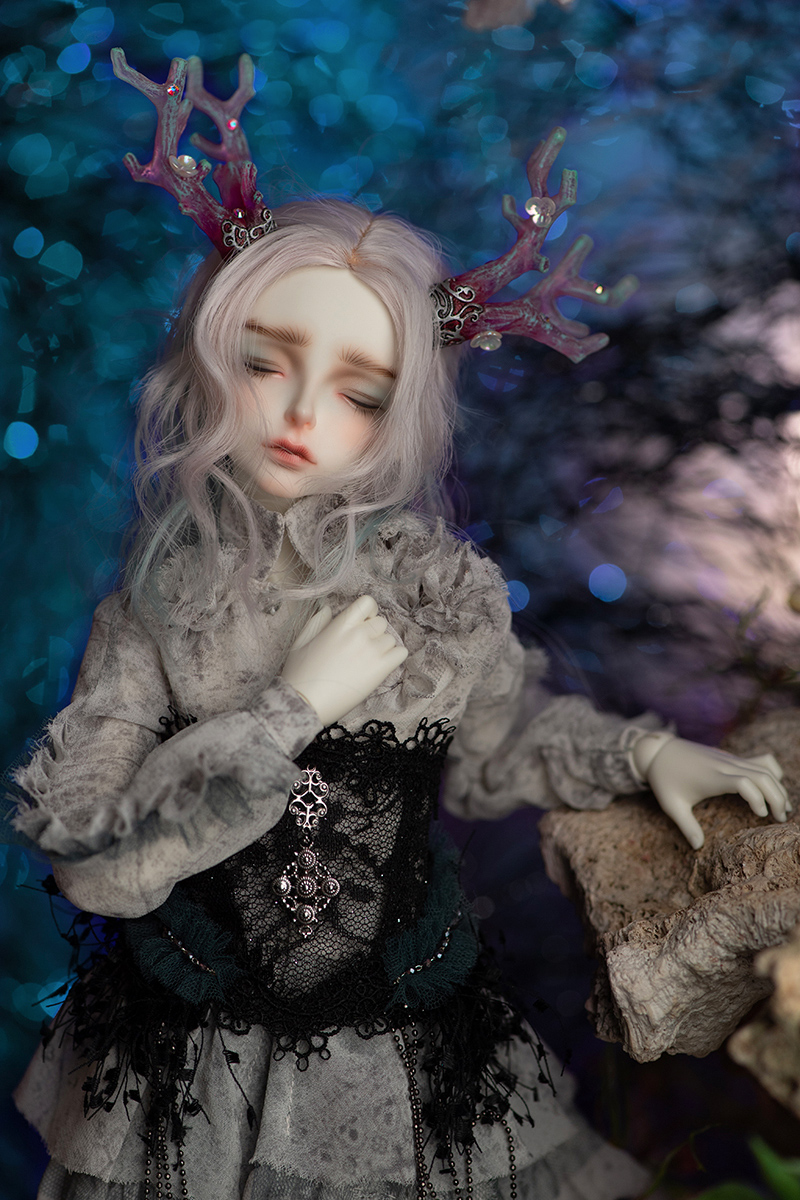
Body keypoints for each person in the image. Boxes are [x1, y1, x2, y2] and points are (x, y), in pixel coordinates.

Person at [8, 51, 790, 1200]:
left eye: (359, 392)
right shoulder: (159, 608)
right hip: (187, 1069)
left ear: (401, 414)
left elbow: (500, 738)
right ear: (210, 359)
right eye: (263, 363)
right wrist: (288, 711)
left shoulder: (437, 594)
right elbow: (97, 867)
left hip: (404, 1064)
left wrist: (643, 753)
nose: (300, 412)